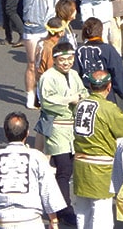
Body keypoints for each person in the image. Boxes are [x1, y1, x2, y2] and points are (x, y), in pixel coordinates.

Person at [0, 112, 67, 228]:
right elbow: (48, 190)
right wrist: (53, 220)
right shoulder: (37, 157)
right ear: (27, 133)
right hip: (31, 220)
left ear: (5, 134)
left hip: (4, 221)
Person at [71, 70, 123, 229]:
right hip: (101, 167)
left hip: (80, 164)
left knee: (82, 209)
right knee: (101, 210)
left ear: (90, 86)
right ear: (109, 86)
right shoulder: (108, 108)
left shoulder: (80, 105)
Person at [37, 43, 84, 227]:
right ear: (55, 59)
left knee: (70, 168)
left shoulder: (74, 75)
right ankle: (64, 209)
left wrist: (81, 99)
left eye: (69, 59)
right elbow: (47, 102)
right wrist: (69, 100)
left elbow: (83, 92)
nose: (66, 63)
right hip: (57, 127)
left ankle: (60, 204)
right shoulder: (48, 77)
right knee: (63, 169)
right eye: (62, 59)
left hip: (73, 129)